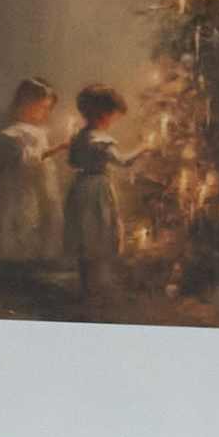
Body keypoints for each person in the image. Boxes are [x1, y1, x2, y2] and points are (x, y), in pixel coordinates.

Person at [62, 84, 164, 313]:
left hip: (80, 188)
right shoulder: (102, 141)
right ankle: (93, 295)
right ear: (103, 115)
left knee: (85, 238)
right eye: (114, 118)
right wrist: (142, 149)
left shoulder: (78, 138)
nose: (113, 122)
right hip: (97, 189)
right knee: (96, 237)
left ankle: (86, 289)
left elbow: (72, 162)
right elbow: (123, 161)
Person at [0, 76, 64, 277]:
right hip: (21, 188)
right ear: (26, 104)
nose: (46, 113)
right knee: (22, 220)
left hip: (39, 185)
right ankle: (13, 270)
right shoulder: (16, 133)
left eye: (49, 108)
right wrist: (56, 148)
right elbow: (28, 161)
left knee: (41, 220)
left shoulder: (39, 132)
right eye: (42, 107)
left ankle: (30, 267)